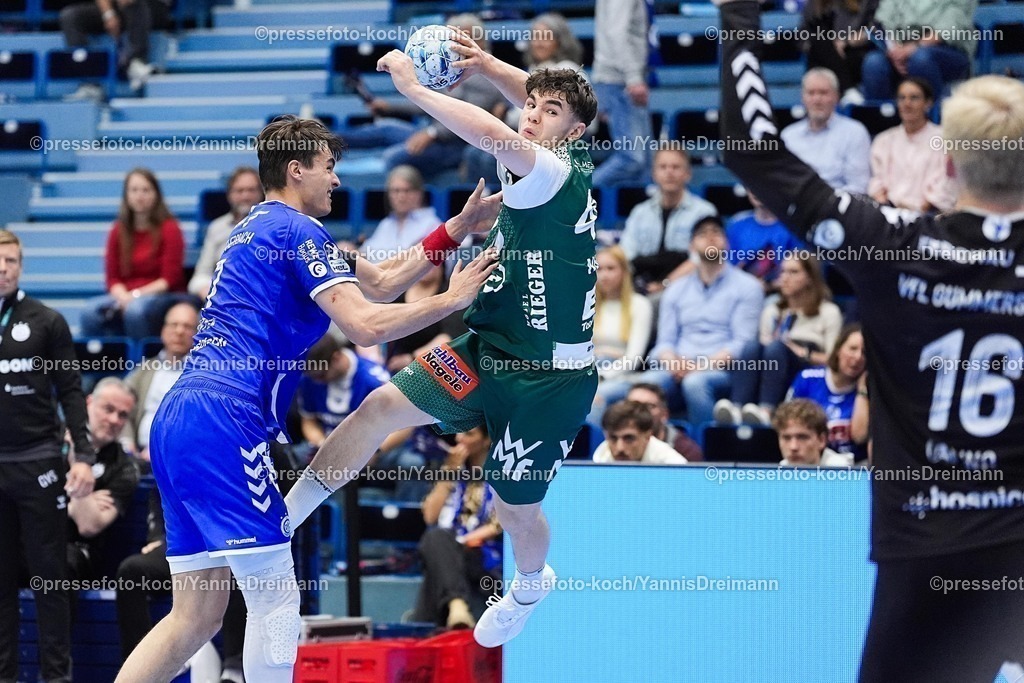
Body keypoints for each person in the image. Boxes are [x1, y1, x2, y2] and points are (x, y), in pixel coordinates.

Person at [114, 115, 501, 683]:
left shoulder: (258, 229)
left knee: (194, 616)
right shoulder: (298, 233)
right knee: (274, 600)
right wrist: (453, 299)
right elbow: (368, 324)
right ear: (297, 170)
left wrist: (456, 228)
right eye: (328, 168)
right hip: (227, 419)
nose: (336, 181)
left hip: (181, 417)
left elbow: (381, 281)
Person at [716, 3, 1024, 677]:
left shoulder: (892, 243)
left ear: (948, 165)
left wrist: (739, 18)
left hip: (925, 549)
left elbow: (749, 146)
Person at [283, 44, 602, 649]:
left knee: (513, 511)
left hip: (549, 382)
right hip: (491, 347)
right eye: (529, 104)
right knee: (376, 409)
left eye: (549, 111)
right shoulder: (564, 150)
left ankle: (532, 583)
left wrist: (414, 89)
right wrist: (484, 67)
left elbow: (488, 130)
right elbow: (531, 104)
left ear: (576, 130)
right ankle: (286, 518)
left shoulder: (552, 171)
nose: (531, 114)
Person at [0, 229, 95, 683]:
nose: (3, 268)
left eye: (11, 261)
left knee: (49, 582)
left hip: (38, 463)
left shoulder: (46, 320)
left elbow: (72, 391)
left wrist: (83, 455)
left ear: (21, 266)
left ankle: (56, 678)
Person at [594, 217, 764, 427]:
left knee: (695, 383)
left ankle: (707, 452)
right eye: (702, 234)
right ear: (691, 245)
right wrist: (673, 362)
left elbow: (742, 343)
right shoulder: (676, 289)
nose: (709, 237)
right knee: (642, 388)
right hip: (673, 368)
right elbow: (665, 342)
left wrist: (699, 366)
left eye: (716, 233)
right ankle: (638, 451)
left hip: (721, 370)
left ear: (727, 243)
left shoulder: (748, 287)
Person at [715, 253, 843, 424]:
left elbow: (834, 360)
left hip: (806, 367)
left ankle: (767, 410)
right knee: (752, 346)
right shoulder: (772, 311)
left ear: (810, 277)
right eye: (782, 272)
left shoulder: (828, 312)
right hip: (772, 364)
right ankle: (737, 408)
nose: (785, 278)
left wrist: (802, 352)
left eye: (793, 272)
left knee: (776, 348)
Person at [80, 168, 189, 341]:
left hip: (161, 295)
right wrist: (123, 296)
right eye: (134, 190)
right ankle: (101, 363)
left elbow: (169, 279)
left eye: (146, 190)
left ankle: (140, 363)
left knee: (135, 311)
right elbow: (112, 278)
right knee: (89, 312)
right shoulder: (118, 230)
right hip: (125, 294)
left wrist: (134, 296)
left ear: (156, 194)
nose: (140, 196)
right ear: (127, 195)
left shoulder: (170, 228)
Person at [412, 426, 502, 629]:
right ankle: (457, 605)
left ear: (486, 441)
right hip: (450, 547)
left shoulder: (503, 473)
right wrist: (449, 472)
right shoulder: (453, 470)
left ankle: (422, 626)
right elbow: (430, 516)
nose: (460, 439)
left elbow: (499, 524)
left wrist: (459, 543)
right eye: (459, 433)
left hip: (485, 557)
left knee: (438, 549)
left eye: (469, 434)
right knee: (436, 539)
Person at [66, 378, 140, 581]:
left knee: (61, 561)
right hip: (31, 540)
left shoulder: (124, 466)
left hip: (79, 551)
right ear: (88, 403)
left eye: (122, 415)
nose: (115, 420)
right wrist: (73, 507)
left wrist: (77, 460)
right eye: (108, 409)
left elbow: (88, 525)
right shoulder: (50, 443)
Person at [619, 149, 718, 295]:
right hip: (642, 286)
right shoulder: (640, 212)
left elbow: (701, 259)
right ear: (654, 174)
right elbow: (625, 255)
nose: (669, 172)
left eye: (676, 167)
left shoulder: (704, 212)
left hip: (689, 289)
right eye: (663, 167)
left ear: (688, 174)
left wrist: (665, 284)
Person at [122, 302, 200, 459]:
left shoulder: (202, 373)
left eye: (187, 326)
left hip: (183, 456)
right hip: (139, 456)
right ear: (163, 331)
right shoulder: (145, 369)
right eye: (174, 325)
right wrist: (127, 442)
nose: (179, 331)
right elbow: (121, 403)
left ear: (198, 334)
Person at [867, 77, 957, 213]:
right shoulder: (884, 140)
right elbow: (877, 181)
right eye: (902, 98)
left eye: (914, 98)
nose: (907, 104)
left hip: (930, 215)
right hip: (889, 215)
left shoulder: (945, 139)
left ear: (928, 103)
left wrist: (922, 209)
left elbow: (948, 182)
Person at [861, 0, 976, 101]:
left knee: (920, 59)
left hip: (947, 50)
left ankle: (930, 118)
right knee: (873, 63)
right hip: (900, 49)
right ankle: (882, 121)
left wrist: (913, 48)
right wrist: (894, 51)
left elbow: (949, 28)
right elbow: (882, 22)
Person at [782, 323, 866, 461]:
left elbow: (859, 436)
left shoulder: (869, 390)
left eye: (865, 352)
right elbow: (787, 426)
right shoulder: (808, 379)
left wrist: (863, 390)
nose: (858, 357)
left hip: (853, 468)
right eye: (852, 349)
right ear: (838, 349)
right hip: (808, 462)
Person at [780, 68, 871, 193]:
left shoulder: (855, 133)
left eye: (823, 93)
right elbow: (782, 182)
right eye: (811, 93)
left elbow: (859, 187)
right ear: (803, 98)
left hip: (839, 208)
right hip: (798, 207)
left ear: (836, 97)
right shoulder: (788, 136)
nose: (817, 100)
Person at [592, 0, 652, 186]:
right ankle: (574, 195)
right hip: (618, 81)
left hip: (620, 79)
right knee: (632, 158)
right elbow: (616, 33)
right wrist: (633, 77)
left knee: (646, 165)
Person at [60, 0, 170, 100]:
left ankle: (136, 62)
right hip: (117, 6)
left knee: (135, 3)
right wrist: (108, 14)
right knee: (70, 16)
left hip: (152, 7)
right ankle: (89, 83)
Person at [188, 167, 265, 300]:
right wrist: (208, 292)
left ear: (262, 193)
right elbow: (201, 275)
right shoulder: (216, 228)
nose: (245, 196)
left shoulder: (272, 225)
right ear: (229, 195)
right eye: (239, 191)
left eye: (251, 190)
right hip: (221, 299)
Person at [592, 245, 653, 382]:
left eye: (611, 268)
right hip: (589, 368)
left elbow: (634, 358)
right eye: (599, 269)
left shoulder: (639, 304)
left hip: (621, 375)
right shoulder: (587, 305)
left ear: (624, 271)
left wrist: (603, 375)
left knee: (596, 400)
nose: (604, 275)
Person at [799, 0, 878, 105]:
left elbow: (876, 27)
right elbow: (802, 36)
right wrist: (831, 46)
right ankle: (848, 90)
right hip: (823, 57)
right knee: (818, 41)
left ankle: (847, 90)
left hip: (852, 54)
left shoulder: (866, 2)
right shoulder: (815, 4)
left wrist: (846, 42)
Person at [361, 166, 442, 264]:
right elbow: (365, 253)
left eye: (407, 191)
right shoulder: (386, 224)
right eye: (396, 191)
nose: (401, 197)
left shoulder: (432, 225)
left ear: (419, 193)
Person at [725, 189, 804, 288]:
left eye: (759, 184)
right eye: (750, 186)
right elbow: (727, 269)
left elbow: (802, 270)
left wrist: (770, 286)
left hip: (782, 294)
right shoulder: (736, 224)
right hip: (740, 291)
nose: (754, 190)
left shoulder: (792, 226)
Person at [625, 383, 703, 461]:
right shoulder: (615, 445)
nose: (641, 412)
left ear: (664, 414)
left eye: (649, 406)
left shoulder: (685, 452)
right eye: (634, 406)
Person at [592, 400, 688, 464]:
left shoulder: (674, 465)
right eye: (613, 438)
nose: (620, 448)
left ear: (647, 436)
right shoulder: (601, 457)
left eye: (629, 438)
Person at [773, 398, 852, 467]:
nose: (793, 447)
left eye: (802, 437)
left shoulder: (840, 471)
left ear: (821, 440)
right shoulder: (780, 470)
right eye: (786, 438)